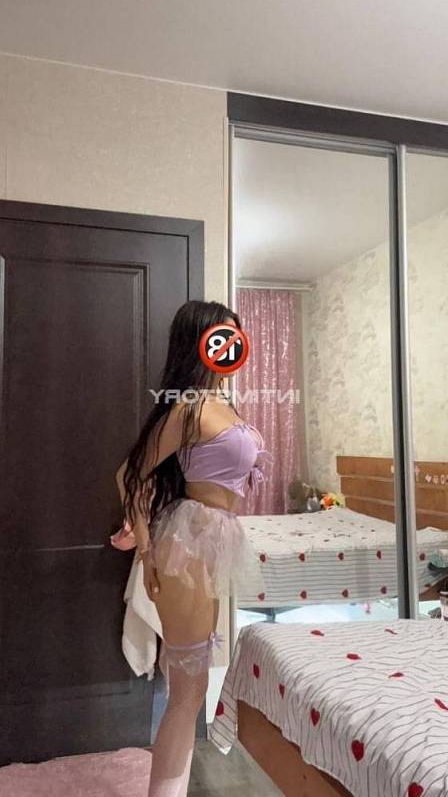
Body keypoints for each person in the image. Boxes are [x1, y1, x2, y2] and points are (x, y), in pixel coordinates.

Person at [115, 300, 269, 797]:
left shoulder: (221, 402)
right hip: (188, 540)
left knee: (192, 685)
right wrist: (145, 550)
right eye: (221, 336)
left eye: (235, 336)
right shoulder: (188, 408)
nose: (230, 346)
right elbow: (129, 474)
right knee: (188, 690)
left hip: (213, 540)